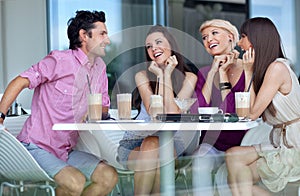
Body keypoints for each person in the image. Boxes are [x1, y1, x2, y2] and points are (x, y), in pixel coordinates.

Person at [0, 10, 118, 196]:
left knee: (108, 176)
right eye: (102, 34)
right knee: (75, 181)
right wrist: (0, 116)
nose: (108, 40)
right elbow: (20, 81)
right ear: (84, 35)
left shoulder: (100, 68)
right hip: (37, 147)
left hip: (66, 150)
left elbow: (103, 108)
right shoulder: (60, 60)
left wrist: (96, 112)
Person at [117, 25, 198, 195]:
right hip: (134, 143)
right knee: (153, 147)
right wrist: (160, 76)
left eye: (158, 42)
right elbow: (155, 112)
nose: (153, 48)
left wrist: (165, 75)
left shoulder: (189, 77)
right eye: (149, 46)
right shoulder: (142, 75)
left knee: (155, 146)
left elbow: (172, 114)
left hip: (172, 143)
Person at [225, 17, 300, 196]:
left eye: (243, 36)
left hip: (294, 145)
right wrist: (249, 71)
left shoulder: (277, 69)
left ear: (257, 39)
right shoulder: (268, 70)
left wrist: (248, 71)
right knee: (233, 158)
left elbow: (251, 114)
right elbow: (246, 112)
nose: (239, 42)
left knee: (239, 177)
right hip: (280, 142)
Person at [192, 19, 247, 195]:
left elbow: (234, 112)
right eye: (205, 37)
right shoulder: (205, 72)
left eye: (214, 33)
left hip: (244, 143)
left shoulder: (248, 69)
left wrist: (223, 74)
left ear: (230, 37)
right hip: (212, 143)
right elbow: (198, 110)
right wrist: (214, 71)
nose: (209, 39)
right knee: (200, 159)